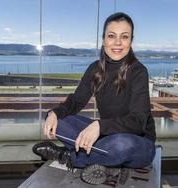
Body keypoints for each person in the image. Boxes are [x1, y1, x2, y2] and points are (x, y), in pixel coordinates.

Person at [32, 12, 156, 184]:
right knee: (60, 122)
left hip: (137, 143)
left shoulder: (138, 71)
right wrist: (54, 113)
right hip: (106, 138)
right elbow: (76, 102)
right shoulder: (95, 69)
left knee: (120, 144)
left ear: (131, 40)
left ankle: (70, 157)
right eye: (112, 36)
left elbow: (138, 121)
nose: (118, 42)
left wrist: (99, 125)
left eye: (124, 37)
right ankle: (107, 161)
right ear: (103, 39)